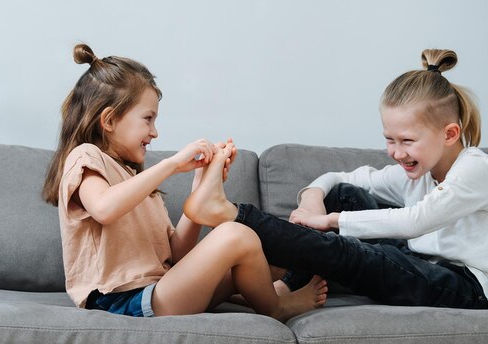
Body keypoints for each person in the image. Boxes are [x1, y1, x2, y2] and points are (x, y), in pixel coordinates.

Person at [184, 49, 488, 310]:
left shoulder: (476, 168)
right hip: (427, 265)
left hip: (477, 291)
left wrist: (330, 221)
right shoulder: (418, 170)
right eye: (390, 140)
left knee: (357, 253)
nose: (395, 152)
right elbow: (341, 177)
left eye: (406, 141)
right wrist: (312, 196)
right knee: (345, 194)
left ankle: (229, 213)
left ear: (449, 134)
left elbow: (416, 221)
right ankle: (285, 290)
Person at [42, 44, 327, 321]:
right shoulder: (85, 157)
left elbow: (177, 254)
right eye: (148, 119)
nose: (154, 132)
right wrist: (172, 164)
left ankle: (265, 291)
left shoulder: (134, 180)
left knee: (272, 257)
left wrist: (199, 187)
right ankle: (275, 307)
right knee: (236, 235)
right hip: (121, 300)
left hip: (162, 291)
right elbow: (103, 208)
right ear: (109, 120)